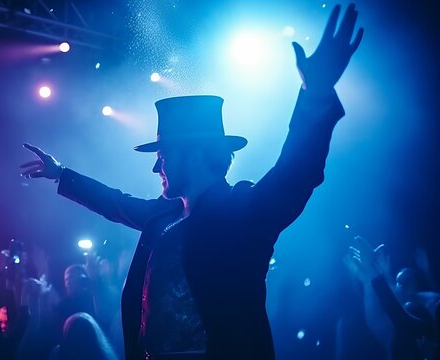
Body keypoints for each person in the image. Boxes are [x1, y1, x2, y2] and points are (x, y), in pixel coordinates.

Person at [21, 4, 363, 359]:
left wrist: (315, 94)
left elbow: (297, 173)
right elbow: (114, 202)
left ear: (196, 154)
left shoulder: (244, 211)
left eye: (163, 156)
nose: (156, 169)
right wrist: (61, 174)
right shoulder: (163, 216)